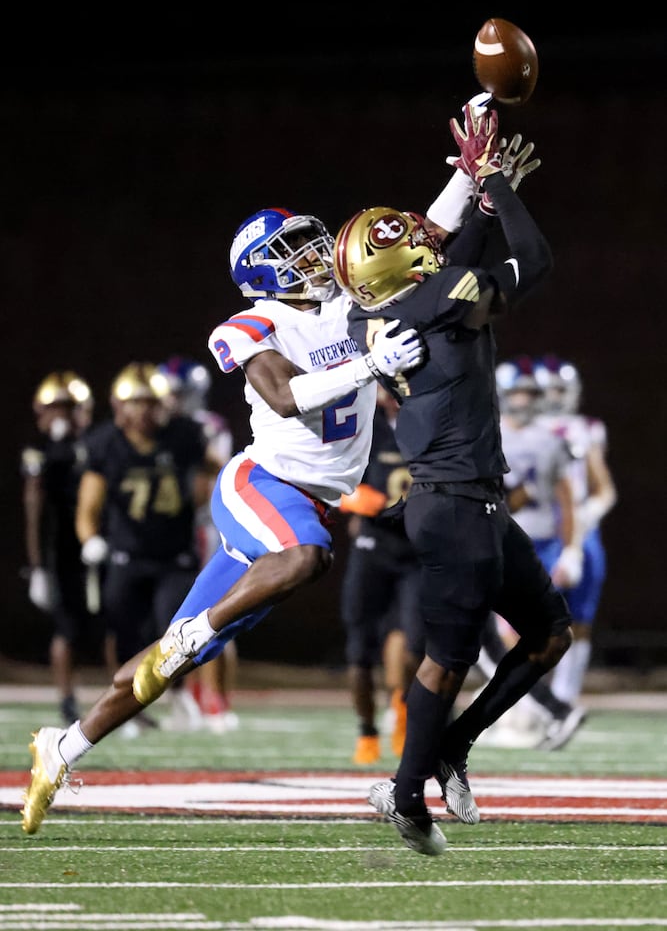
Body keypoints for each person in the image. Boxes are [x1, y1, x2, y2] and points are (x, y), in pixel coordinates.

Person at [20, 206, 426, 835]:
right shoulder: (249, 323)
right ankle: (193, 632)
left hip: (307, 501)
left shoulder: (344, 304)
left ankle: (61, 748)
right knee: (307, 556)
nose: (317, 255)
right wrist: (370, 366)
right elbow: (287, 398)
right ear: (260, 266)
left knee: (171, 660)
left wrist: (475, 179)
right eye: (296, 247)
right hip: (262, 486)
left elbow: (417, 238)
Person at [332, 101, 574, 855]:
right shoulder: (439, 300)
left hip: (470, 503)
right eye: (408, 238)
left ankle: (447, 750)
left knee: (547, 635)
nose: (421, 236)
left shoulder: (375, 312)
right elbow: (530, 262)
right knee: (447, 658)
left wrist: (474, 187)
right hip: (453, 505)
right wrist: (495, 188)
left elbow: (451, 256)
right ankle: (406, 795)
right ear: (397, 266)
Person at [74, 361, 213, 736]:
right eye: (136, 402)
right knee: (123, 631)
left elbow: (217, 470)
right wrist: (90, 540)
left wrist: (215, 503)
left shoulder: (185, 434)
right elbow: (88, 505)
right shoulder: (105, 443)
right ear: (119, 406)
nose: (144, 411)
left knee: (179, 630)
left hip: (176, 554)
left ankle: (180, 693)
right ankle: (122, 704)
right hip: (126, 553)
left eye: (151, 402)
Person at [473, 356, 587, 750]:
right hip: (501, 540)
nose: (523, 399)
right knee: (501, 636)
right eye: (517, 392)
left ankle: (537, 711)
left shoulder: (550, 439)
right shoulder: (490, 433)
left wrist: (571, 548)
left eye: (529, 392)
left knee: (509, 635)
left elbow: (564, 497)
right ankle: (536, 711)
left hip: (535, 544)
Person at [339, 384, 423, 764]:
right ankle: (366, 731)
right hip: (373, 548)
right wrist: (352, 498)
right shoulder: (363, 424)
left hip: (416, 550)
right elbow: (331, 475)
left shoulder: (431, 422)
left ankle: (403, 711)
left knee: (415, 644)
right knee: (359, 651)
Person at [21, 371, 109, 726]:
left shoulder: (97, 443)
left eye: (69, 408)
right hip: (60, 550)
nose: (62, 416)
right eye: (55, 408)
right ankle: (68, 700)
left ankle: (123, 696)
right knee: (67, 629)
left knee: (117, 621)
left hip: (99, 543)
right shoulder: (38, 451)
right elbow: (34, 507)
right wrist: (37, 566)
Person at [159, 355, 240, 733]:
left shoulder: (207, 427)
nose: (171, 401)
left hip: (205, 527)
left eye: (178, 394)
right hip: (172, 531)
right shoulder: (163, 427)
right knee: (178, 616)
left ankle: (216, 700)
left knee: (214, 615)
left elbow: (208, 478)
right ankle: (187, 696)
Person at [533, 353, 617, 709]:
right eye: (550, 388)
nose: (557, 395)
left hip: (578, 533)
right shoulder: (518, 426)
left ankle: (564, 699)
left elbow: (604, 488)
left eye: (562, 388)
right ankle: (528, 701)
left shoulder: (587, 429)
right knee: (524, 622)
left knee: (580, 619)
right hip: (537, 530)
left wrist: (586, 515)